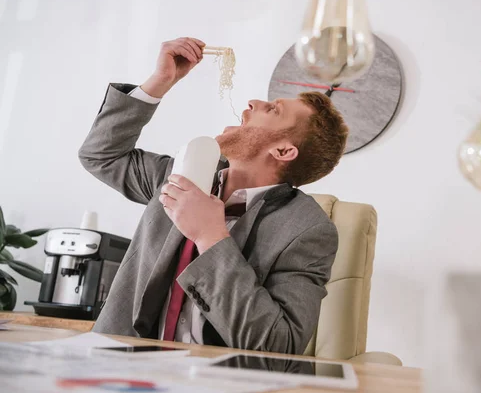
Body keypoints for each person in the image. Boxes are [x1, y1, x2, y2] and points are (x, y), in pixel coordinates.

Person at [79, 37, 349, 355]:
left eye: (273, 110)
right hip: (121, 365)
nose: (253, 103)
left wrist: (211, 237)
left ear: (283, 150)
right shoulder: (181, 175)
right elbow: (100, 155)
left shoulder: (307, 230)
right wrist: (160, 81)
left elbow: (278, 346)